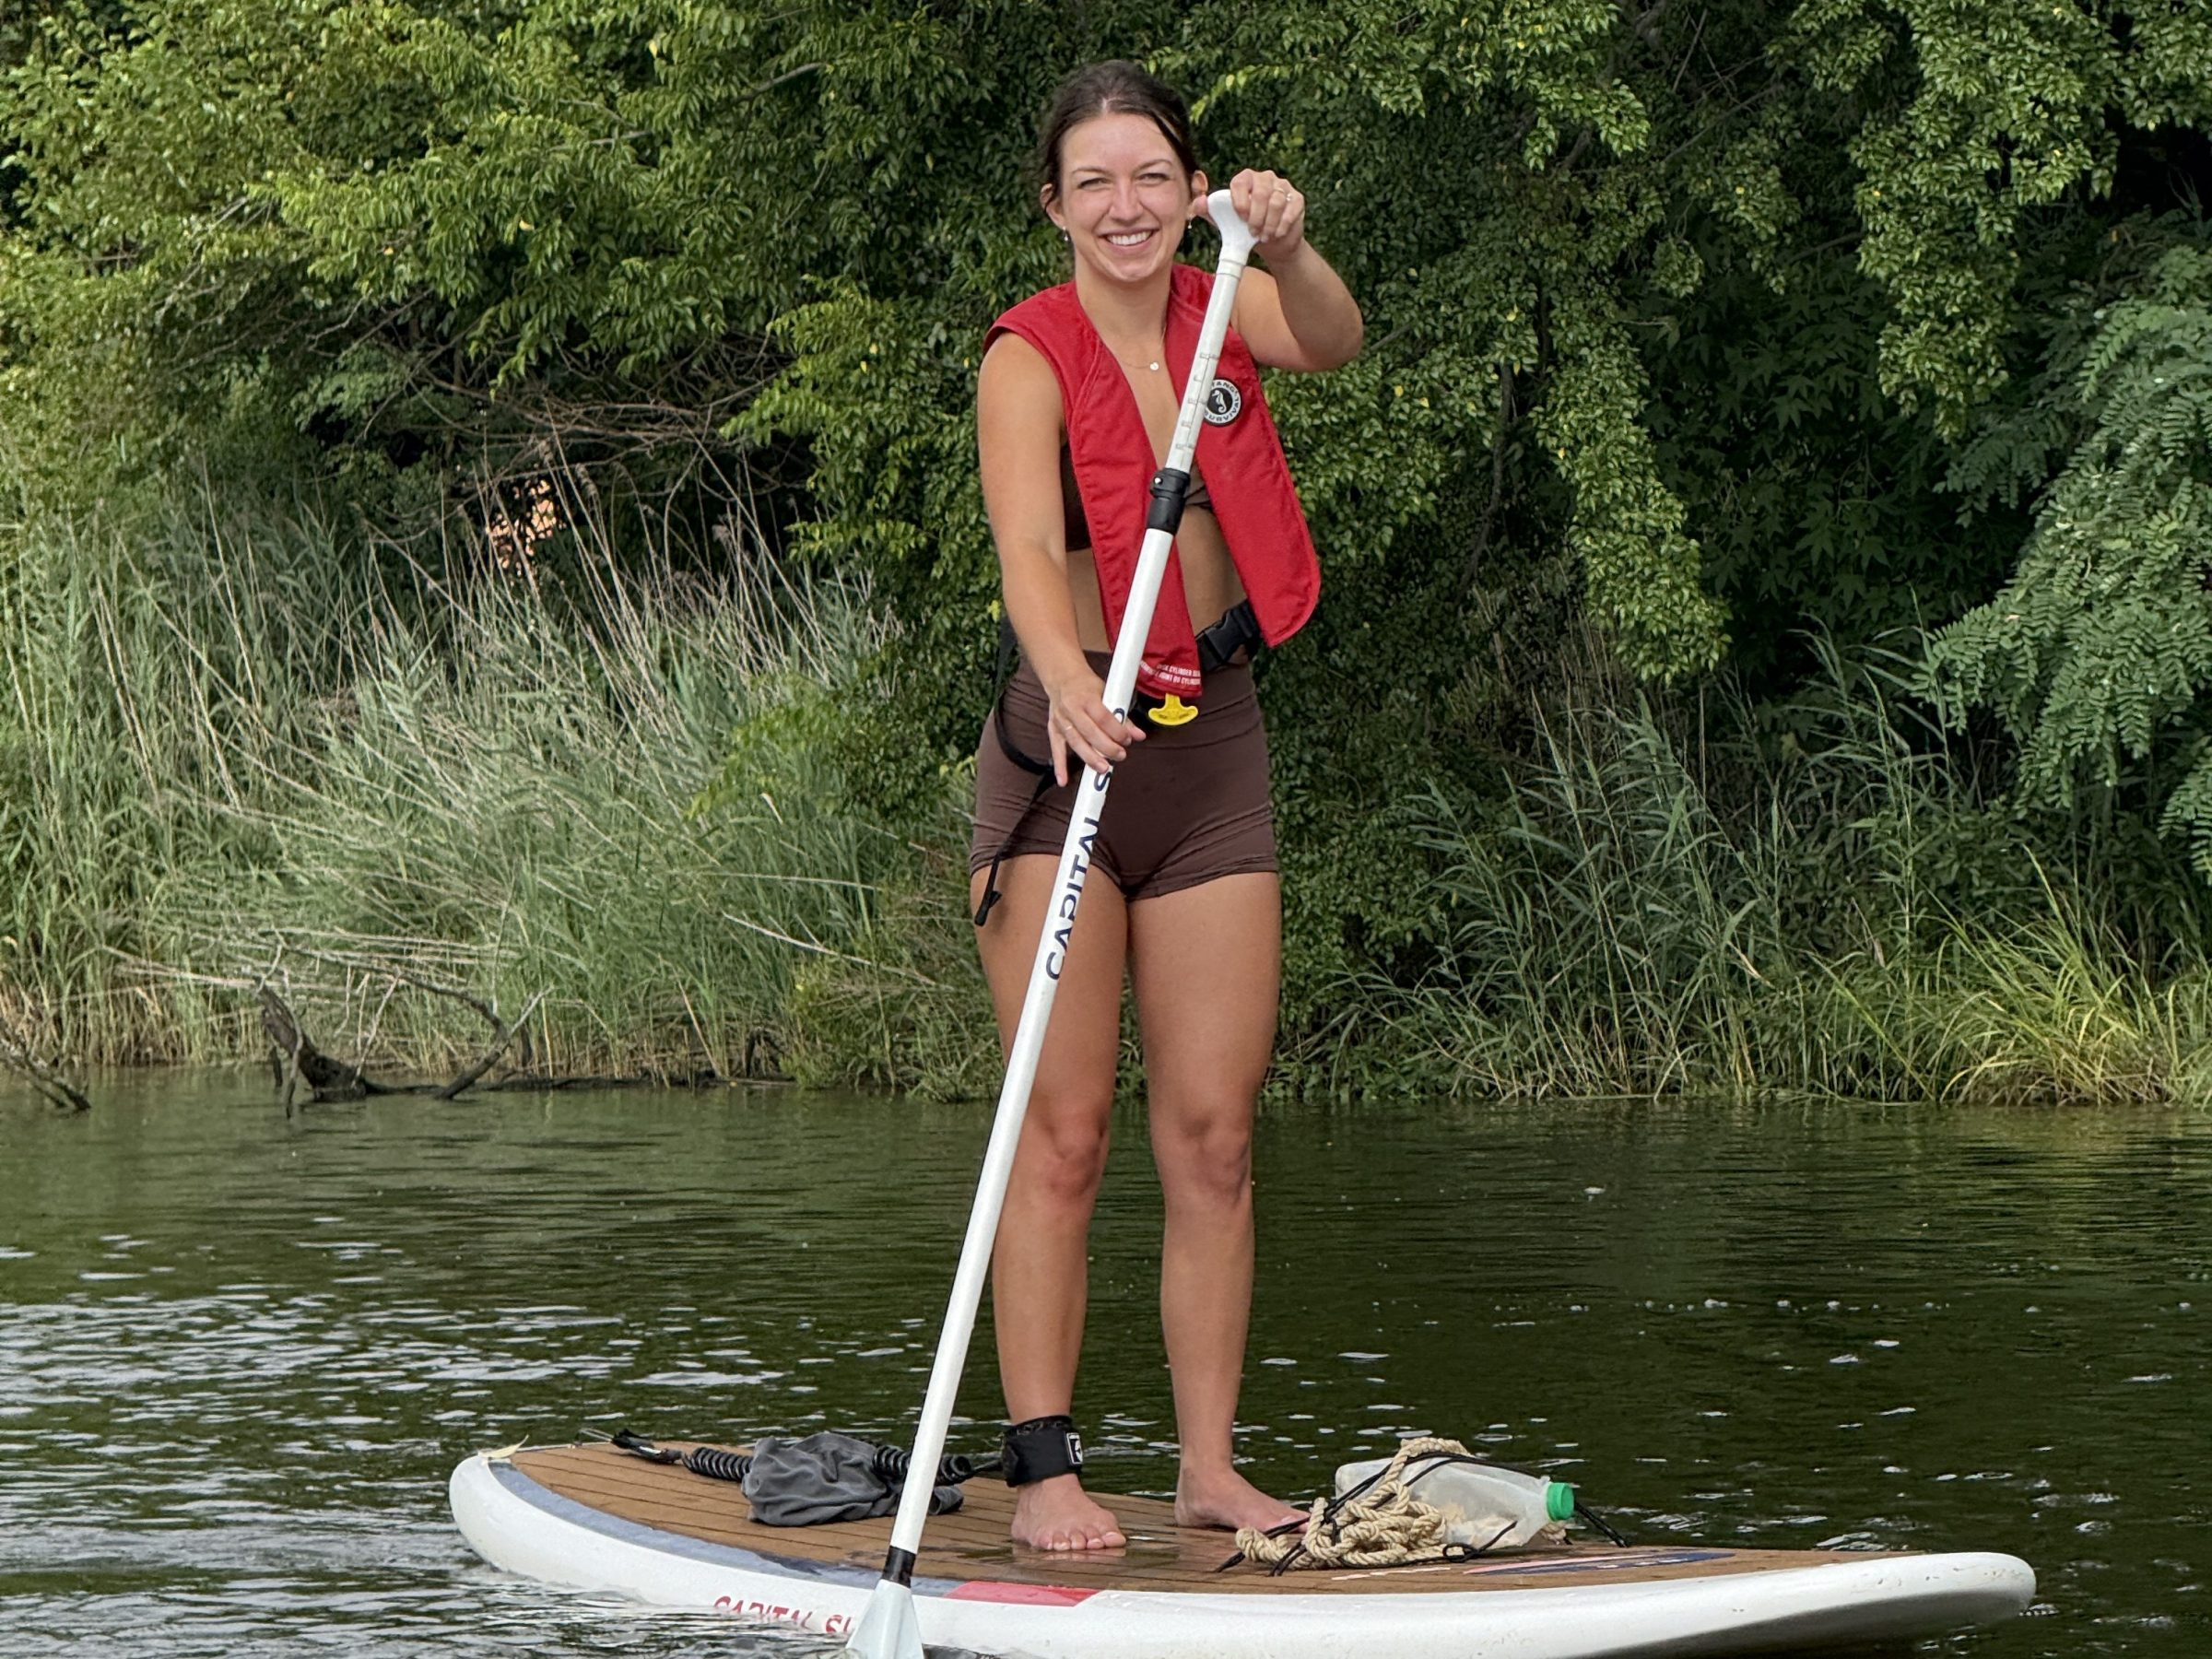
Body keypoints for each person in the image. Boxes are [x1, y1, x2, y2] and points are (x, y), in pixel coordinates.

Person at [967, 60, 1363, 1553]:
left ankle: (1208, 1468)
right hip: (1069, 759)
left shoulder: (1232, 301)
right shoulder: (1028, 356)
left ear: (1186, 189)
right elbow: (1023, 552)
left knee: (1210, 1136)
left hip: (1213, 756)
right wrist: (1067, 679)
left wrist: (1294, 237)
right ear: (1055, 204)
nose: (1125, 207)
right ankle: (1046, 1469)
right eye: (1095, 182)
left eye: (1153, 178)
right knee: (1061, 1134)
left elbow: (1334, 339)